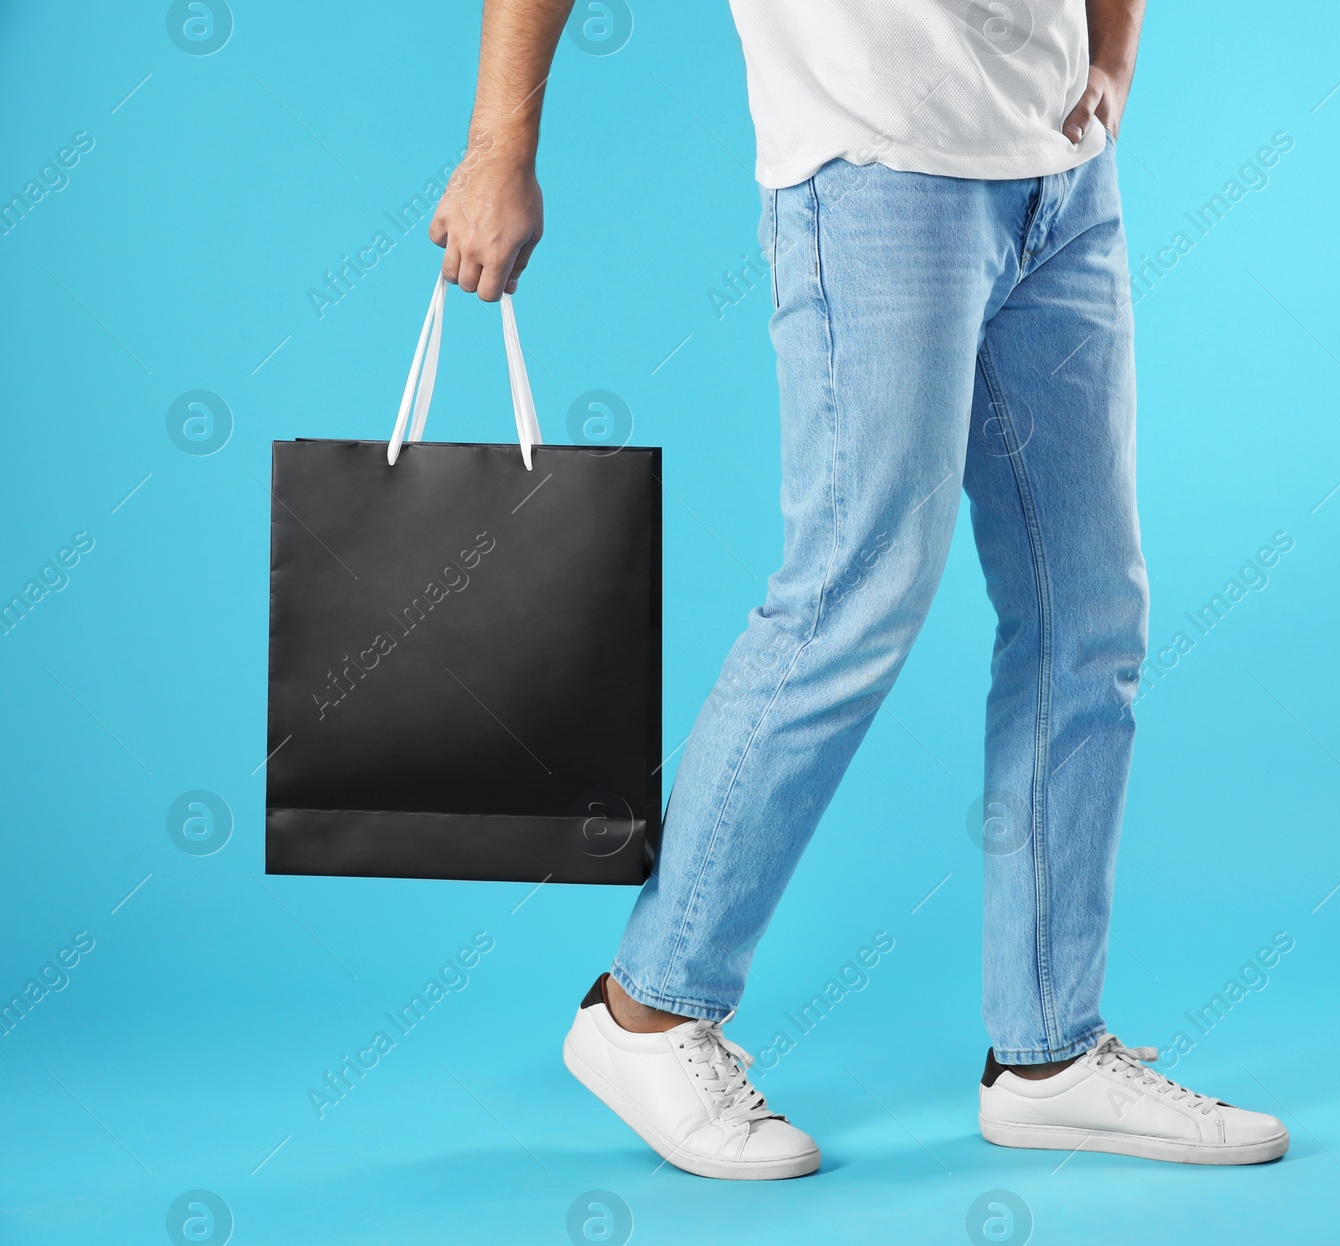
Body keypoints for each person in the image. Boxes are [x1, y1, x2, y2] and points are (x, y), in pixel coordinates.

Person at [430, 0, 1290, 1180]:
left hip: (1060, 180)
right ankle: (648, 1012)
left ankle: (1048, 1055)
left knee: (1089, 615)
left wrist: (1112, 54)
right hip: (875, 170)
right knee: (850, 591)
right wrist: (497, 151)